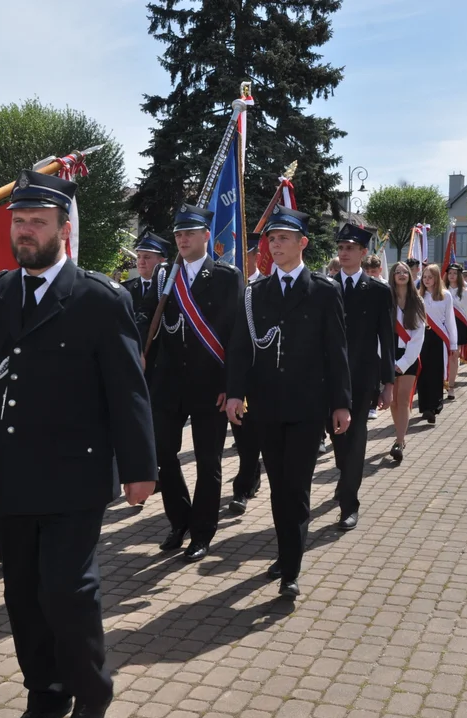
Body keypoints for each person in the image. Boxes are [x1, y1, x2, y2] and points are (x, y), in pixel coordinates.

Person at [0, 170, 156, 718]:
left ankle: (91, 690)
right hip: (12, 475)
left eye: (37, 223)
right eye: (19, 222)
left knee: (67, 591)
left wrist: (140, 466)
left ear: (64, 229)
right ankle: (45, 689)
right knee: (21, 596)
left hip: (75, 475)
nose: (25, 232)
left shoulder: (99, 298)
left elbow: (127, 391)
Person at [225, 205, 351, 598]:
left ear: (302, 243)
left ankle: (291, 570)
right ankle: (285, 551)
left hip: (307, 407)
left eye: (283, 238)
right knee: (279, 487)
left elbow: (337, 351)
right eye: (271, 239)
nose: (275, 245)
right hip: (266, 406)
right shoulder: (255, 293)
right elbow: (241, 349)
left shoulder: (323, 290)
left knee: (296, 486)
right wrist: (233, 393)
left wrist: (341, 403)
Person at [142, 204, 243, 561]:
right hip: (168, 385)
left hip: (210, 385)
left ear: (205, 236)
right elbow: (152, 332)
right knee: (164, 456)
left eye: (189, 233)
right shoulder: (165, 275)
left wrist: (232, 387)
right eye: (178, 234)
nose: (182, 239)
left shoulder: (227, 277)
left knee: (207, 462)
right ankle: (180, 520)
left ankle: (202, 532)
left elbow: (236, 337)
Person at [329, 223, 394, 531]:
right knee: (338, 440)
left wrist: (388, 383)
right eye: (341, 248)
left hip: (361, 378)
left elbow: (387, 338)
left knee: (355, 441)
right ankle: (345, 479)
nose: (344, 253)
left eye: (350, 248)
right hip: (327, 379)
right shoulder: (325, 287)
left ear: (363, 252)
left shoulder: (378, 291)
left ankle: (349, 504)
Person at [227, 233, 266, 514]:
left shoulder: (266, 286)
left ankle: (247, 481)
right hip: (238, 371)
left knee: (257, 434)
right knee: (243, 435)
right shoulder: (228, 284)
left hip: (265, 374)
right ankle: (245, 483)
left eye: (248, 252)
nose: (244, 256)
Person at [387, 262, 425, 460]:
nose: (401, 275)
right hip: (388, 353)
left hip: (408, 356)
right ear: (392, 276)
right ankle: (398, 434)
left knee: (403, 399)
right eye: (397, 272)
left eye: (405, 272)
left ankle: (399, 441)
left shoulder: (417, 301)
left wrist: (402, 363)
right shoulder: (386, 300)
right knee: (392, 401)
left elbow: (418, 338)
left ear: (410, 276)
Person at [418, 263, 456, 417]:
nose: (427, 280)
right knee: (423, 371)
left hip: (439, 337)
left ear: (436, 278)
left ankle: (436, 404)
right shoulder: (417, 295)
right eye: (424, 277)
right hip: (421, 337)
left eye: (430, 277)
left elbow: (450, 320)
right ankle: (425, 407)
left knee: (436, 371)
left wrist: (453, 343)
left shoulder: (446, 295)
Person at [123, 230, 170, 346]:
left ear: (161, 261)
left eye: (147, 257)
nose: (141, 262)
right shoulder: (125, 289)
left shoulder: (169, 290)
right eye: (139, 257)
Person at [445, 263, 467, 399]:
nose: (452, 276)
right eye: (450, 273)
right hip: (443, 326)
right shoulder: (441, 290)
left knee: (454, 357)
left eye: (455, 273)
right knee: (442, 357)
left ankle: (451, 387)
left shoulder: (466, 292)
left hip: (460, 327)